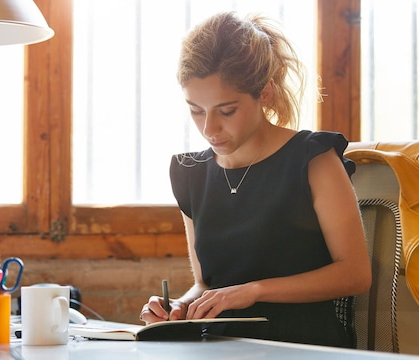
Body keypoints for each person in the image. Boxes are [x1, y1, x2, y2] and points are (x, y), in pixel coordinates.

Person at [139, 11, 371, 348]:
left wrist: (254, 291)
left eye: (227, 110)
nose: (209, 129)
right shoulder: (189, 173)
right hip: (219, 347)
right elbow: (206, 284)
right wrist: (178, 307)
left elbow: (355, 274)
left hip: (303, 347)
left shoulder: (313, 158)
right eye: (196, 110)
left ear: (265, 93)